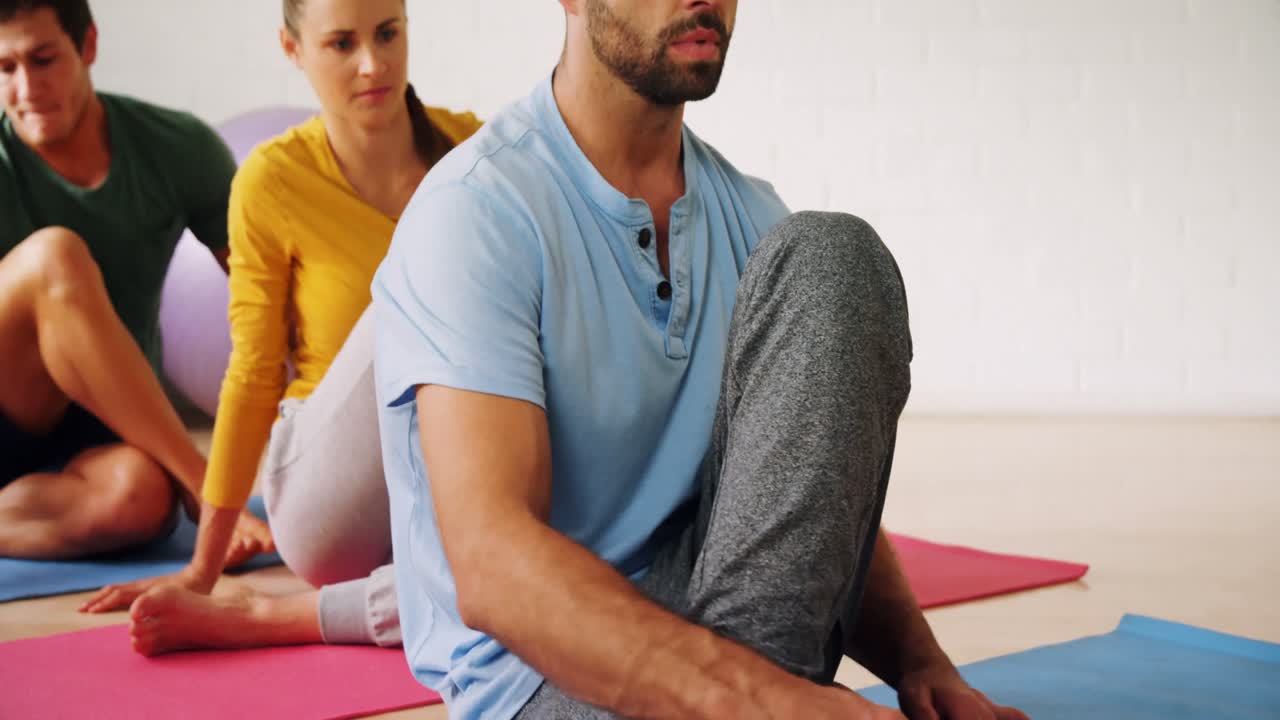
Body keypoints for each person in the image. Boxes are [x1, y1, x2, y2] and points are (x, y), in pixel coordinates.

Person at [372, 1, 1031, 719]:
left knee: (835, 258)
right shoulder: (476, 212)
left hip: (733, 637)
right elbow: (494, 569)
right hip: (547, 677)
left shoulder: (754, 219)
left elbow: (809, 495)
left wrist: (920, 664)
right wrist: (771, 701)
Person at [80, 0, 484, 658]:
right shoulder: (273, 179)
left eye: (388, 34)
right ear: (294, 50)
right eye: (341, 43)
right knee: (425, 269)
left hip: (451, 471)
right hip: (328, 494)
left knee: (525, 576)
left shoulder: (472, 147)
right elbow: (253, 375)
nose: (372, 63)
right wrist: (201, 571)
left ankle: (274, 619)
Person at [0, 0, 269, 566]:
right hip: (10, 394)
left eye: (43, 60)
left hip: (96, 423)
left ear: (89, 47)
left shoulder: (178, 148)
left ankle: (180, 486)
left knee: (142, 501)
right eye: (5, 69)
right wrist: (215, 484)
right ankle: (202, 487)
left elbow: (263, 292)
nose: (26, 88)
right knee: (55, 257)